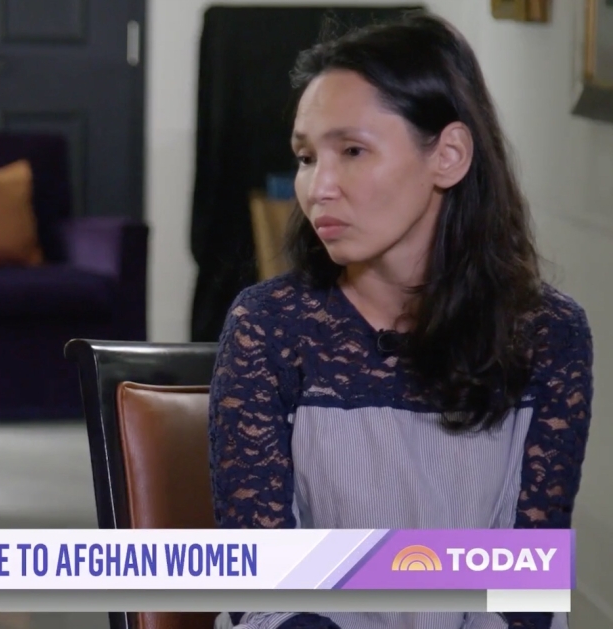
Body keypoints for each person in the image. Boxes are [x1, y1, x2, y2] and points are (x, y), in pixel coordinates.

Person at [209, 12, 591, 629]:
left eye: (353, 151)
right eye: (307, 157)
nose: (318, 187)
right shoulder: (269, 327)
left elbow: (527, 591)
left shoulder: (548, 335)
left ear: (448, 155)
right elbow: (262, 589)